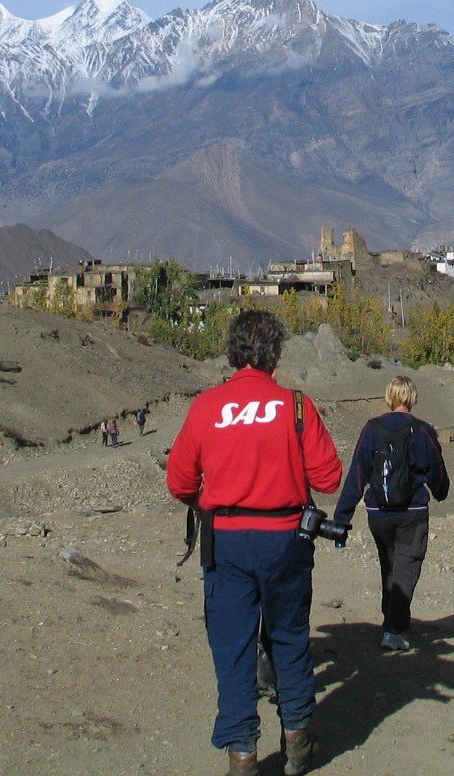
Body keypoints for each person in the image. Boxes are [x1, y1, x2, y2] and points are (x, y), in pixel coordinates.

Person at [167, 309, 341, 776]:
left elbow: (180, 480)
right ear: (275, 354)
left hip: (226, 542)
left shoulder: (207, 406)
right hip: (287, 539)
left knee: (233, 646)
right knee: (288, 635)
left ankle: (242, 753)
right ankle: (299, 737)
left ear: (233, 351)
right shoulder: (297, 406)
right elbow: (328, 476)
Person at [332, 375, 449, 653]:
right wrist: (441, 490)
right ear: (412, 398)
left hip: (378, 512)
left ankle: (393, 619)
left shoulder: (372, 429)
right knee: (407, 568)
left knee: (390, 566)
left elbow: (357, 475)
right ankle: (393, 630)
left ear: (389, 396)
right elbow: (436, 469)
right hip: (412, 511)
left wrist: (341, 519)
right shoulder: (422, 430)